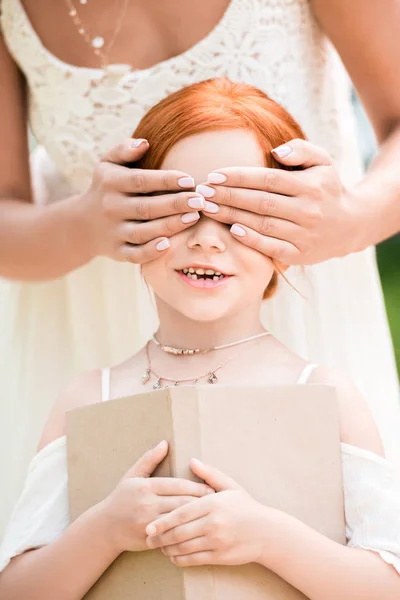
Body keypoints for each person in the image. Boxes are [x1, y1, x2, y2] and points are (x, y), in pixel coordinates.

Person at [1, 0, 400, 535]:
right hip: (82, 321)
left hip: (295, 301)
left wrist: (350, 218)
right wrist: (82, 226)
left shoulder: (330, 393)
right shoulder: (79, 396)